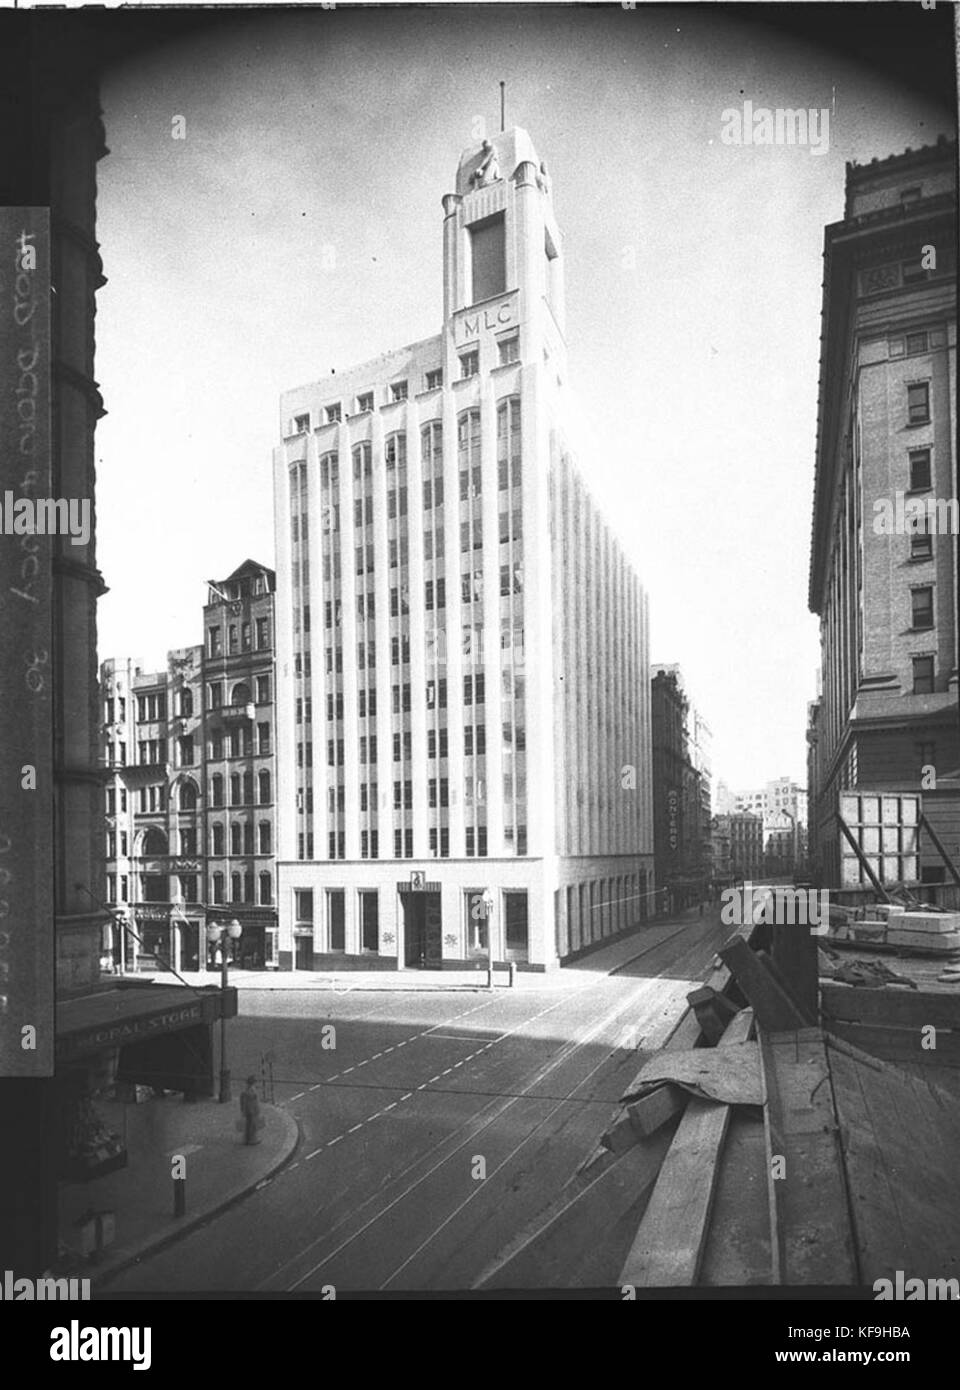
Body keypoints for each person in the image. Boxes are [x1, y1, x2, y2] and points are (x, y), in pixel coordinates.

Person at [239, 1075, 263, 1145]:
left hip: (250, 1109)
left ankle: (248, 1139)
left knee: (249, 1125)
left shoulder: (248, 1089)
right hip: (251, 1110)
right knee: (252, 1125)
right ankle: (252, 1139)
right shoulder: (250, 1090)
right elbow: (251, 1101)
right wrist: (253, 1110)